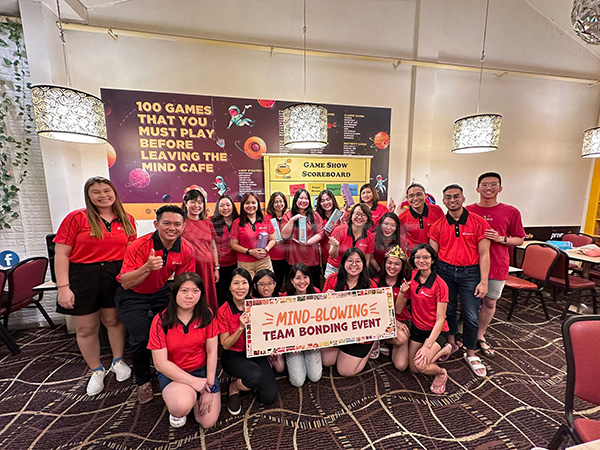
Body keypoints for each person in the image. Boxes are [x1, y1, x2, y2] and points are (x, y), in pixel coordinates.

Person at [54, 176, 136, 396]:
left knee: (113, 320)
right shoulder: (76, 218)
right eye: (96, 192)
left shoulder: (126, 219)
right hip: (83, 275)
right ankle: (96, 370)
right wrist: (63, 287)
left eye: (106, 190)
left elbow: (130, 251)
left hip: (114, 274)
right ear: (88, 195)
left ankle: (118, 360)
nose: (102, 195)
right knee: (86, 328)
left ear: (114, 193)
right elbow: (61, 254)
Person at [115, 205, 195, 404]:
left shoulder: (186, 248)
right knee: (141, 337)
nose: (172, 228)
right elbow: (125, 282)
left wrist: (185, 307)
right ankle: (143, 381)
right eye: (166, 223)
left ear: (183, 226)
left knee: (174, 328)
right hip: (132, 294)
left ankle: (174, 370)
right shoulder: (138, 246)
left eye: (177, 224)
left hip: (159, 291)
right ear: (156, 224)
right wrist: (147, 268)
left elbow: (183, 282)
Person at [428, 184, 490, 378]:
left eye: (456, 196)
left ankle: (471, 353)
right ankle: (451, 342)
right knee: (447, 310)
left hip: (470, 273)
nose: (452, 200)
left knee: (470, 314)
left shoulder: (478, 222)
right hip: (445, 271)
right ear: (443, 200)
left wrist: (484, 281)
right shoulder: (438, 225)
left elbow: (485, 254)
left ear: (463, 198)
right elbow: (432, 256)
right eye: (448, 197)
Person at [147, 272, 220, 428]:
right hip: (174, 373)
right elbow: (160, 364)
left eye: (195, 291)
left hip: (201, 370)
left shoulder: (208, 315)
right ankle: (183, 400)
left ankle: (191, 396)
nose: (190, 296)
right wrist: (193, 382)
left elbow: (212, 351)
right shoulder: (161, 320)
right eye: (184, 290)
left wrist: (209, 387)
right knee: (180, 406)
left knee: (207, 422)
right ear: (175, 293)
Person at [466, 172, 525, 357]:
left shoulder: (511, 211)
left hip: (497, 264)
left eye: (493, 184)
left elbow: (519, 239)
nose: (488, 188)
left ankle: (479, 334)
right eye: (484, 184)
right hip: (470, 264)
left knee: (490, 301)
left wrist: (501, 239)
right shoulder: (468, 210)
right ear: (477, 189)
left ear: (500, 188)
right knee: (467, 301)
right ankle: (466, 331)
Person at [218, 268, 278, 415]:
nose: (240, 287)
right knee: (255, 376)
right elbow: (225, 344)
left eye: (244, 283)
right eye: (236, 283)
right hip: (233, 355)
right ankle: (234, 387)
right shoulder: (223, 311)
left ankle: (248, 379)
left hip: (255, 352)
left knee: (268, 397)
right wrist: (240, 328)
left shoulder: (256, 304)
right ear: (229, 286)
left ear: (250, 286)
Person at [398, 244, 452, 394]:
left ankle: (441, 373)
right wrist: (402, 293)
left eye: (426, 257)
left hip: (437, 331)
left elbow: (440, 319)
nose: (421, 260)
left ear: (432, 260)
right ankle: (445, 350)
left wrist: (428, 346)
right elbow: (399, 309)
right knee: (414, 368)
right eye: (418, 257)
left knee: (421, 366)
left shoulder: (440, 285)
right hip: (418, 329)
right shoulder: (414, 275)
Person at [322, 248, 377, 376]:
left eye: (358, 261)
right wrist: (325, 299)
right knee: (326, 361)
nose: (354, 264)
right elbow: (321, 309)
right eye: (350, 260)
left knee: (345, 371)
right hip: (338, 331)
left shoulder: (371, 285)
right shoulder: (332, 279)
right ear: (343, 263)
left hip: (360, 336)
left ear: (363, 264)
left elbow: (375, 313)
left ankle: (373, 345)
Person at [282, 263, 322, 387]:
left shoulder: (316, 293)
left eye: (305, 277)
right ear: (291, 280)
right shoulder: (284, 298)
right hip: (293, 343)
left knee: (315, 377)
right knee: (298, 381)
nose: (302, 281)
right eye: (298, 278)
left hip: (312, 340)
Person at [373, 245, 412, 366]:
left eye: (397, 264)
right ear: (384, 263)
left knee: (401, 365)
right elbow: (374, 310)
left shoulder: (405, 283)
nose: (392, 267)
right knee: (401, 338)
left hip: (402, 321)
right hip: (381, 321)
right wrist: (395, 322)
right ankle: (379, 340)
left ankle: (385, 342)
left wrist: (402, 293)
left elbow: (398, 311)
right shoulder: (375, 282)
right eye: (389, 263)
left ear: (402, 266)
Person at [181, 189, 219, 310]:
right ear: (185, 203)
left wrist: (216, 267)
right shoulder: (181, 223)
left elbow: (213, 246)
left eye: (200, 202)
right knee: (191, 296)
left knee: (207, 296)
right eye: (193, 202)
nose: (196, 205)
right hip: (190, 268)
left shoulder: (208, 223)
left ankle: (208, 319)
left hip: (207, 268)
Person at [280, 189, 324, 288]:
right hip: (293, 259)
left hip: (312, 259)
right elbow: (284, 236)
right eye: (301, 198)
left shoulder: (315, 215)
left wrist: (308, 242)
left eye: (306, 198)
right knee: (294, 289)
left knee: (313, 288)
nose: (303, 201)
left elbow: (321, 233)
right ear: (296, 200)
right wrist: (292, 220)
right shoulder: (288, 215)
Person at [230, 192, 276, 278]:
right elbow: (233, 245)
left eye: (253, 203)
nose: (251, 206)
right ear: (243, 205)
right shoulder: (237, 223)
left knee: (267, 283)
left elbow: (272, 240)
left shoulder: (266, 220)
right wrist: (250, 252)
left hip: (264, 261)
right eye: (247, 203)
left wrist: (266, 249)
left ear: (258, 204)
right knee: (248, 285)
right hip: (245, 263)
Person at [326, 203, 375, 279]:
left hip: (355, 270)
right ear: (351, 215)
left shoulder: (370, 237)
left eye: (363, 215)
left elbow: (366, 262)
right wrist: (335, 246)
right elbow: (332, 256)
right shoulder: (339, 231)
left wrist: (363, 277)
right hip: (336, 269)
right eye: (357, 214)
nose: (359, 217)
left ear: (368, 219)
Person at [252, 269, 285, 373]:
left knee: (280, 368)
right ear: (255, 286)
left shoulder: (283, 299)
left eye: (270, 284)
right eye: (262, 284)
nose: (266, 288)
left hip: (279, 339)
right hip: (261, 343)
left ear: (274, 284)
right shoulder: (251, 304)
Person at [397, 183, 445, 256]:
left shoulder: (437, 211)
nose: (415, 198)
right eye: (411, 196)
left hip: (434, 255)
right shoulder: (402, 217)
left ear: (425, 196)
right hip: (414, 257)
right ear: (407, 198)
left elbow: (444, 233)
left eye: (419, 194)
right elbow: (401, 240)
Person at [211, 195, 239, 306]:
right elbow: (211, 246)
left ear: (233, 206)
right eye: (221, 205)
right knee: (220, 295)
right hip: (219, 266)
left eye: (228, 205)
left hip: (237, 264)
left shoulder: (239, 221)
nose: (225, 208)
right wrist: (216, 267)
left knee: (235, 293)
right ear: (217, 207)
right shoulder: (211, 222)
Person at [264, 191, 289, 293]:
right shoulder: (266, 218)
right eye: (276, 202)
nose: (279, 204)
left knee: (287, 286)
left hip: (287, 257)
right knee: (274, 285)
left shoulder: (288, 217)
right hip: (272, 257)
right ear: (272, 204)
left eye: (281, 201)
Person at [315, 189, 345, 273]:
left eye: (328, 199)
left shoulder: (341, 214)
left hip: (342, 256)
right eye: (322, 201)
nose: (326, 203)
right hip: (327, 256)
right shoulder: (317, 217)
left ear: (333, 200)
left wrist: (343, 221)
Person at [370, 212, 404, 277]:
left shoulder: (401, 240)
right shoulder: (372, 237)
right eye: (386, 224)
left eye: (393, 225)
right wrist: (380, 272)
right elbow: (371, 258)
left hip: (394, 268)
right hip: (376, 268)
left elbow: (402, 260)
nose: (388, 228)